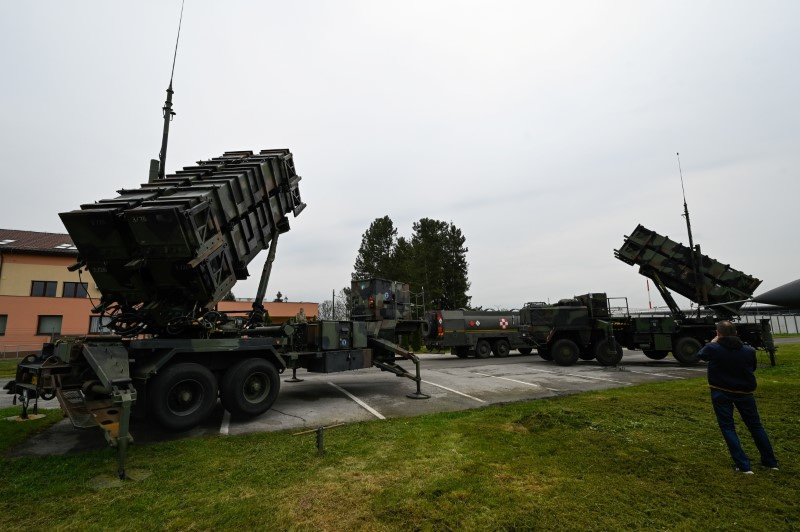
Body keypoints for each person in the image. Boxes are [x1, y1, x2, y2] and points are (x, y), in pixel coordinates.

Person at [697, 320, 778, 474]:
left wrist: (714, 341)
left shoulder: (713, 348)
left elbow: (700, 355)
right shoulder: (748, 351)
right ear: (736, 333)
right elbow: (751, 368)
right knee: (756, 426)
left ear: (718, 334)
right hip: (745, 394)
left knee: (728, 427)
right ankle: (770, 462)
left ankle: (743, 465)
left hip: (721, 393)